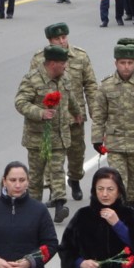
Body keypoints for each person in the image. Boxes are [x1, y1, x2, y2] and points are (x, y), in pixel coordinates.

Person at [31, 23, 99, 203]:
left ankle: (75, 179)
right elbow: (32, 85)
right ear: (49, 41)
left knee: (77, 154)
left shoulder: (80, 56)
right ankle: (56, 192)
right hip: (52, 119)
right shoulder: (40, 59)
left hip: (74, 117)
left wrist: (94, 109)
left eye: (64, 37)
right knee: (52, 157)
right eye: (57, 39)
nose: (61, 41)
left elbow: (90, 84)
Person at [92, 42, 134, 207]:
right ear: (115, 63)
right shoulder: (106, 85)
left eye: (130, 63)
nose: (126, 67)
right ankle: (118, 207)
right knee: (117, 178)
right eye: (122, 63)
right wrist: (96, 139)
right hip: (115, 141)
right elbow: (99, 114)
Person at [15, 44, 72, 223]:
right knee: (36, 176)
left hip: (59, 136)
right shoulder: (32, 79)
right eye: (63, 63)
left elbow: (70, 98)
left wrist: (78, 113)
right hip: (37, 138)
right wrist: (40, 113)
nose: (66, 67)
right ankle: (32, 210)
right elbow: (20, 102)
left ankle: (60, 205)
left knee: (57, 170)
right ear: (53, 63)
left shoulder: (64, 79)